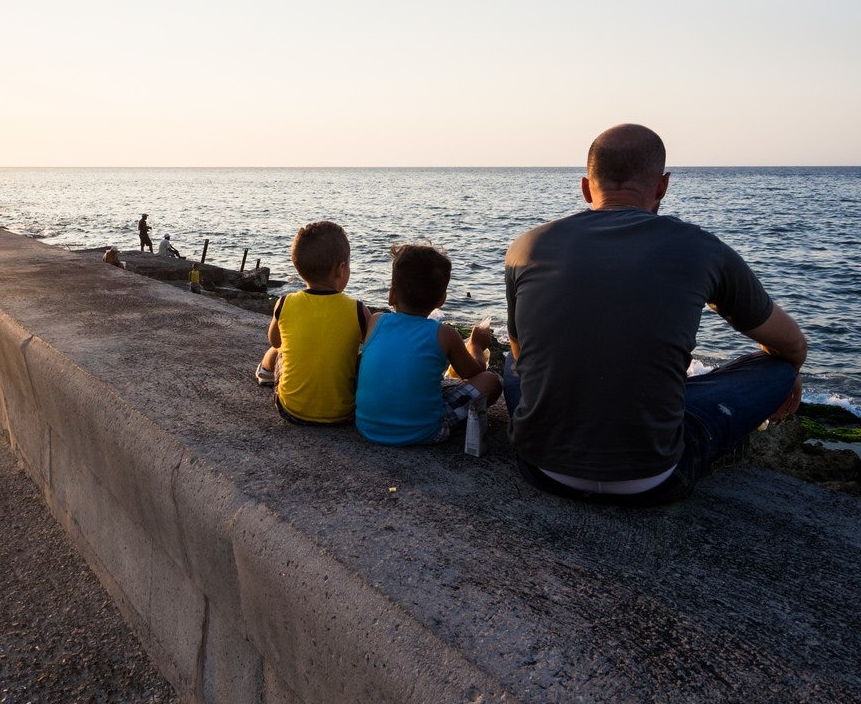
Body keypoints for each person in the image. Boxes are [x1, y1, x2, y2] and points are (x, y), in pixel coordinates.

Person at [503, 123, 806, 505]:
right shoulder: (701, 248)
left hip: (541, 467)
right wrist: (788, 374)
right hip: (653, 477)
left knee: (511, 368)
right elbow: (791, 343)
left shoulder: (526, 246)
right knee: (775, 368)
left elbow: (520, 354)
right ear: (662, 186)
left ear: (585, 187)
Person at [355, 243, 502, 445]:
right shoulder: (445, 334)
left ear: (392, 294)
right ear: (442, 299)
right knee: (492, 381)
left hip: (367, 426)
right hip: (425, 431)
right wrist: (476, 345)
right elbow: (473, 372)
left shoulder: (376, 321)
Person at [256, 220, 370, 425]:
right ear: (341, 269)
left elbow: (274, 341)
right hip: (344, 414)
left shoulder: (285, 303)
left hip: (291, 410)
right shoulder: (358, 309)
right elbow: (371, 354)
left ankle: (264, 371)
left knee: (280, 348)